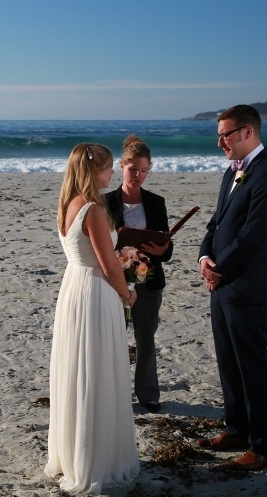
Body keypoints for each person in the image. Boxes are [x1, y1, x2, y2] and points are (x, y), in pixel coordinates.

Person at [196, 105, 267, 470]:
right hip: (221, 283)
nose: (220, 142)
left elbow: (255, 235)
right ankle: (236, 429)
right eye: (218, 135)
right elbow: (216, 222)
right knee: (228, 363)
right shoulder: (232, 171)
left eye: (226, 134)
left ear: (247, 132)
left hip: (248, 286)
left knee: (252, 367)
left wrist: (221, 270)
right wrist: (204, 257)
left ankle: (264, 447)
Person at [44, 142, 140, 494]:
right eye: (108, 167)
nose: (112, 172)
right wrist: (127, 293)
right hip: (95, 292)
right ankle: (96, 460)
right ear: (92, 170)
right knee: (97, 368)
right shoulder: (93, 211)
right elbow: (108, 264)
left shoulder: (67, 205)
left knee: (78, 367)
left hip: (74, 288)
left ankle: (73, 453)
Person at [103, 134, 173, 414]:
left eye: (144, 170)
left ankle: (148, 395)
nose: (139, 176)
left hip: (150, 281)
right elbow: (100, 244)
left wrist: (159, 251)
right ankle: (115, 396)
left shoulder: (156, 202)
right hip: (115, 281)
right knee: (114, 339)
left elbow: (167, 246)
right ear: (122, 166)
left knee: (146, 339)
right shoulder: (106, 203)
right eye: (134, 170)